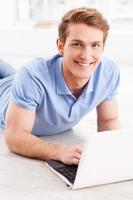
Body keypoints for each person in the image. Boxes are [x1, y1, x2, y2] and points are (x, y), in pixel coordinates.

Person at [0, 7, 121, 165]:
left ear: (103, 48)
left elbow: (109, 121)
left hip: (18, 81)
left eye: (95, 45)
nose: (86, 55)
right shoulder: (31, 75)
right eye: (77, 44)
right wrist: (60, 151)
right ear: (61, 46)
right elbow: (15, 137)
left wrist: (116, 156)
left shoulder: (108, 72)